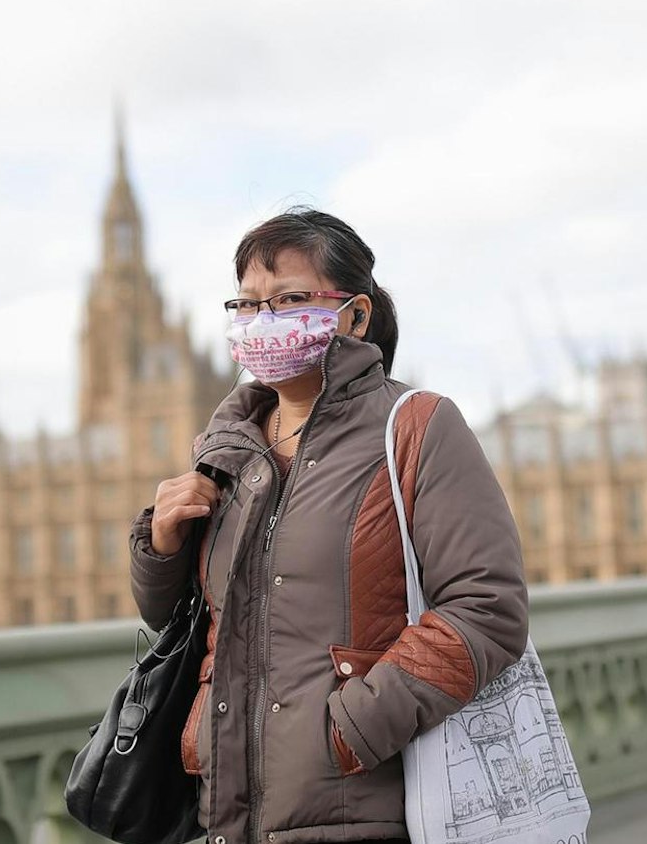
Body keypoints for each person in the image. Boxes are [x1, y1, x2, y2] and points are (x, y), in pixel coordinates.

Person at [129, 207, 529, 844]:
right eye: (248, 304)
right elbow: (179, 621)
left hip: (360, 808)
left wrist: (350, 730)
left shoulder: (416, 427)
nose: (263, 320)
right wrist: (161, 547)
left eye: (289, 299)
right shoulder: (225, 448)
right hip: (226, 815)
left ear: (356, 315)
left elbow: (488, 608)